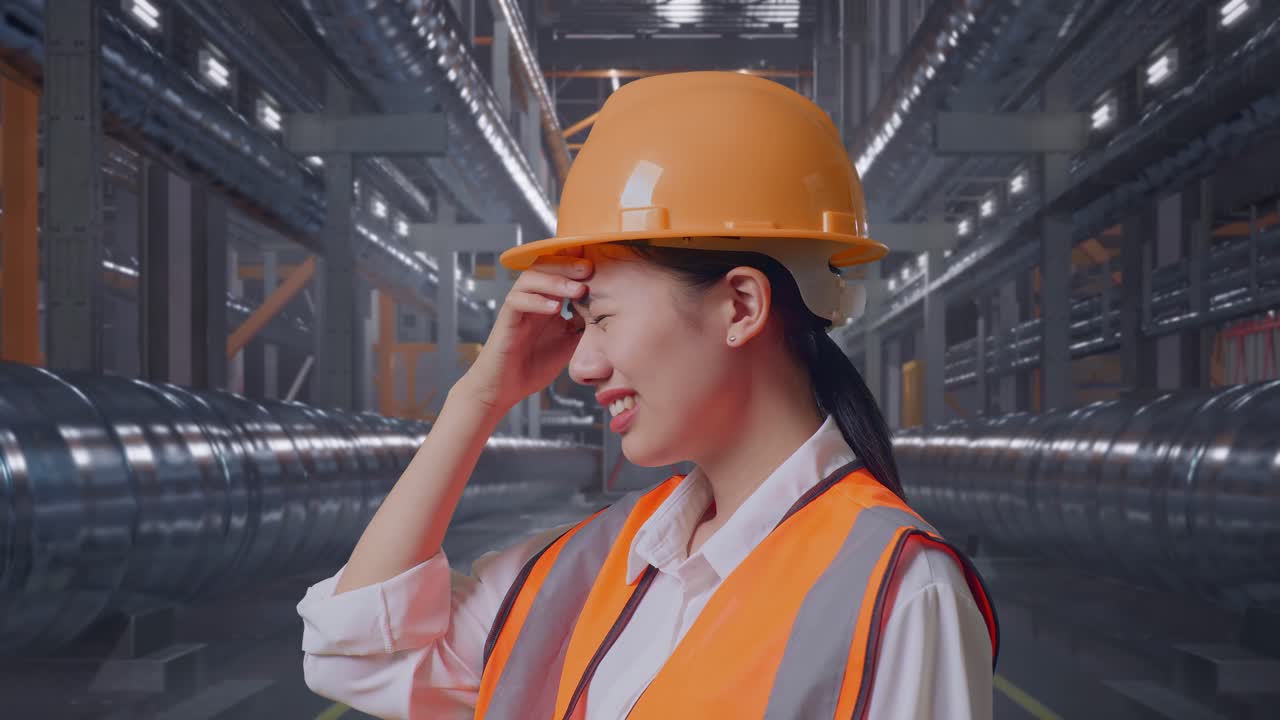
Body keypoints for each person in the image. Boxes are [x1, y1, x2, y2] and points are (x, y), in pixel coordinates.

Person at [297, 71, 999, 719]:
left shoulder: (900, 589)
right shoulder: (601, 560)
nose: (581, 365)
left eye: (601, 317)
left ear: (741, 306)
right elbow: (358, 651)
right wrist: (477, 398)